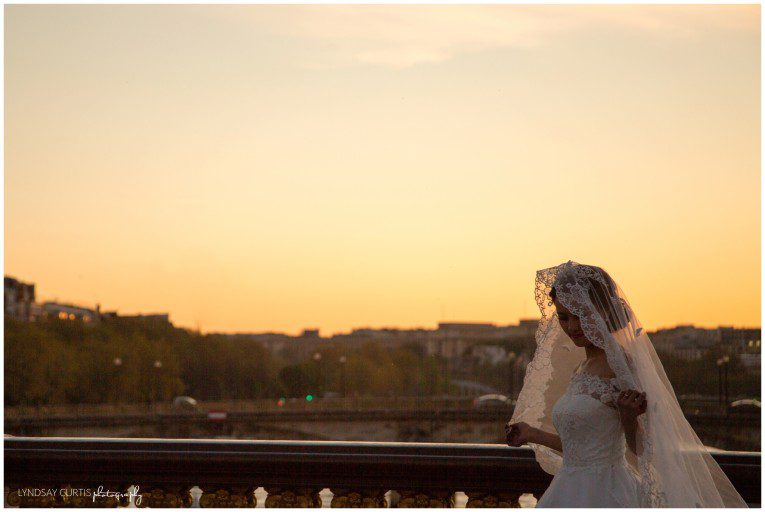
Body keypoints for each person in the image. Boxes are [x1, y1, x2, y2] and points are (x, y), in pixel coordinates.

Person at [505, 261, 748, 507]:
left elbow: (643, 448)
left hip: (606, 493)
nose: (572, 326)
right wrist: (531, 433)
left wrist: (629, 417)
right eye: (564, 317)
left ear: (605, 312)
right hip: (570, 487)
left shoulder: (621, 365)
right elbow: (581, 448)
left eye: (581, 315)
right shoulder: (582, 368)